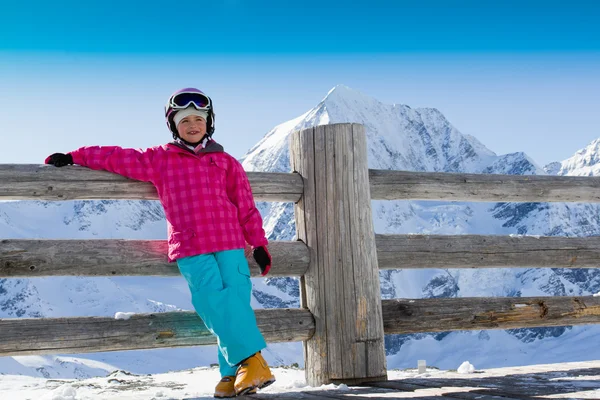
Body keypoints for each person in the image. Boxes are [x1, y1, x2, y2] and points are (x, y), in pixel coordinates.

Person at [45, 88, 276, 398]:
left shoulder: (226, 162)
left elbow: (245, 206)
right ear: (173, 125)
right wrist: (76, 156)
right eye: (184, 120)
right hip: (192, 246)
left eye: (199, 119)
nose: (192, 125)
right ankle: (252, 360)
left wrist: (258, 243)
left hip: (230, 242)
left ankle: (231, 375)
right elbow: (117, 157)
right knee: (210, 303)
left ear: (209, 123)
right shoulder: (159, 159)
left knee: (234, 305)